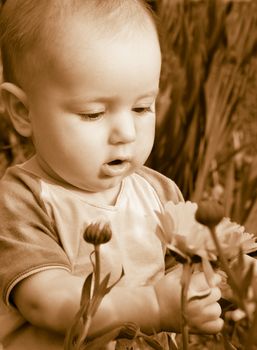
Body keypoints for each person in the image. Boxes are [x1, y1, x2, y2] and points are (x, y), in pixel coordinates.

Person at [0, 0, 224, 349]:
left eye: (141, 107)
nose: (126, 133)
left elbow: (187, 271)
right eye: (93, 113)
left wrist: (215, 285)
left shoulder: (159, 192)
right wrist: (152, 306)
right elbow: (46, 300)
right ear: (22, 111)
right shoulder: (20, 200)